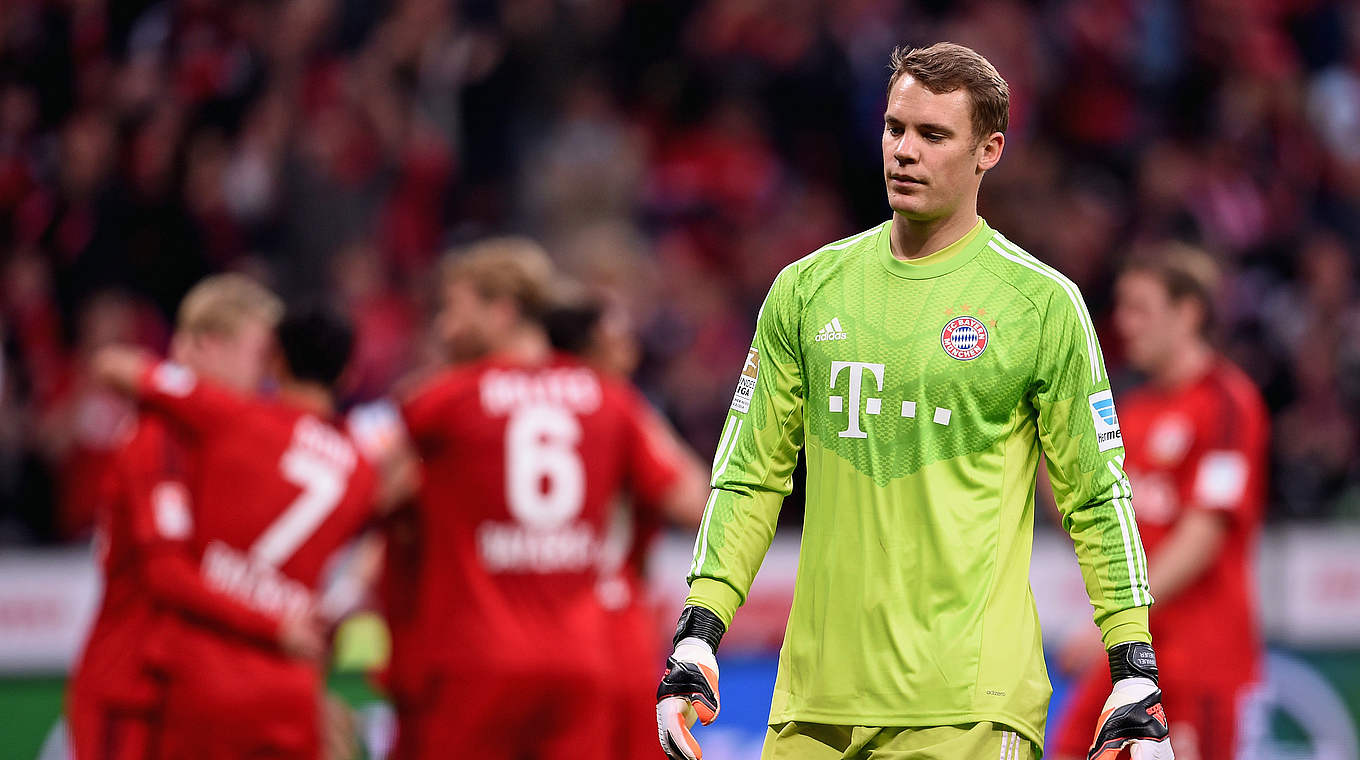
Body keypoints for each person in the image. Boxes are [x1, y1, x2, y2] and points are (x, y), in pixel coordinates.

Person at [655, 43, 1173, 760]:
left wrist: (1133, 666)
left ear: (989, 150)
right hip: (813, 702)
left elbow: (1095, 496)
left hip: (967, 706)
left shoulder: (1041, 305)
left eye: (933, 135)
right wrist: (699, 629)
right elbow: (749, 477)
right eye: (896, 128)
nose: (905, 151)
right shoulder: (806, 290)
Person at [384, 238, 706, 760]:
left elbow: (370, 488)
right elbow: (697, 501)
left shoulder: (442, 402)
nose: (444, 327)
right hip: (586, 656)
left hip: (476, 657)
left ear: (503, 309)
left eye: (454, 309)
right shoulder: (610, 399)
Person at [89, 303, 378, 760]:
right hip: (291, 686)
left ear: (276, 361)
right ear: (351, 375)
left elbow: (115, 366)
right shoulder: (362, 469)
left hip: (202, 677)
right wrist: (341, 602)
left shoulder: (232, 418)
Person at [66, 274, 297, 760]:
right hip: (129, 689)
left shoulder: (215, 443)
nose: (269, 375)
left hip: (184, 684)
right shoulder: (158, 437)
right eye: (260, 356)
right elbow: (167, 575)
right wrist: (277, 626)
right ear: (208, 347)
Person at [1050, 247, 1268, 760]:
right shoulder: (1133, 411)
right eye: (1123, 308)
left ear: (1188, 313)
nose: (1124, 324)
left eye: (1140, 308)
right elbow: (1097, 520)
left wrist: (1112, 617)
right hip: (1129, 655)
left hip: (1198, 660)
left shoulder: (1227, 403)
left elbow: (1204, 533)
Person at [544, 286, 709, 760]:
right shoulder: (618, 407)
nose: (630, 344)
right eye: (618, 332)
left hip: (522, 623)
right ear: (590, 346)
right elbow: (692, 501)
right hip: (608, 625)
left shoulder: (509, 408)